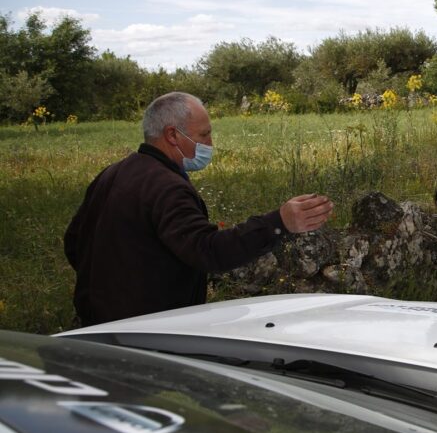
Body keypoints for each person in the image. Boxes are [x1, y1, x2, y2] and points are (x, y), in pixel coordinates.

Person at [64, 91, 334, 326]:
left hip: (98, 322)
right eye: (204, 135)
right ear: (172, 135)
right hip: (145, 331)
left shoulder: (113, 173)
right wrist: (279, 222)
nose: (210, 145)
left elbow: (74, 243)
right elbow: (208, 251)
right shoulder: (166, 188)